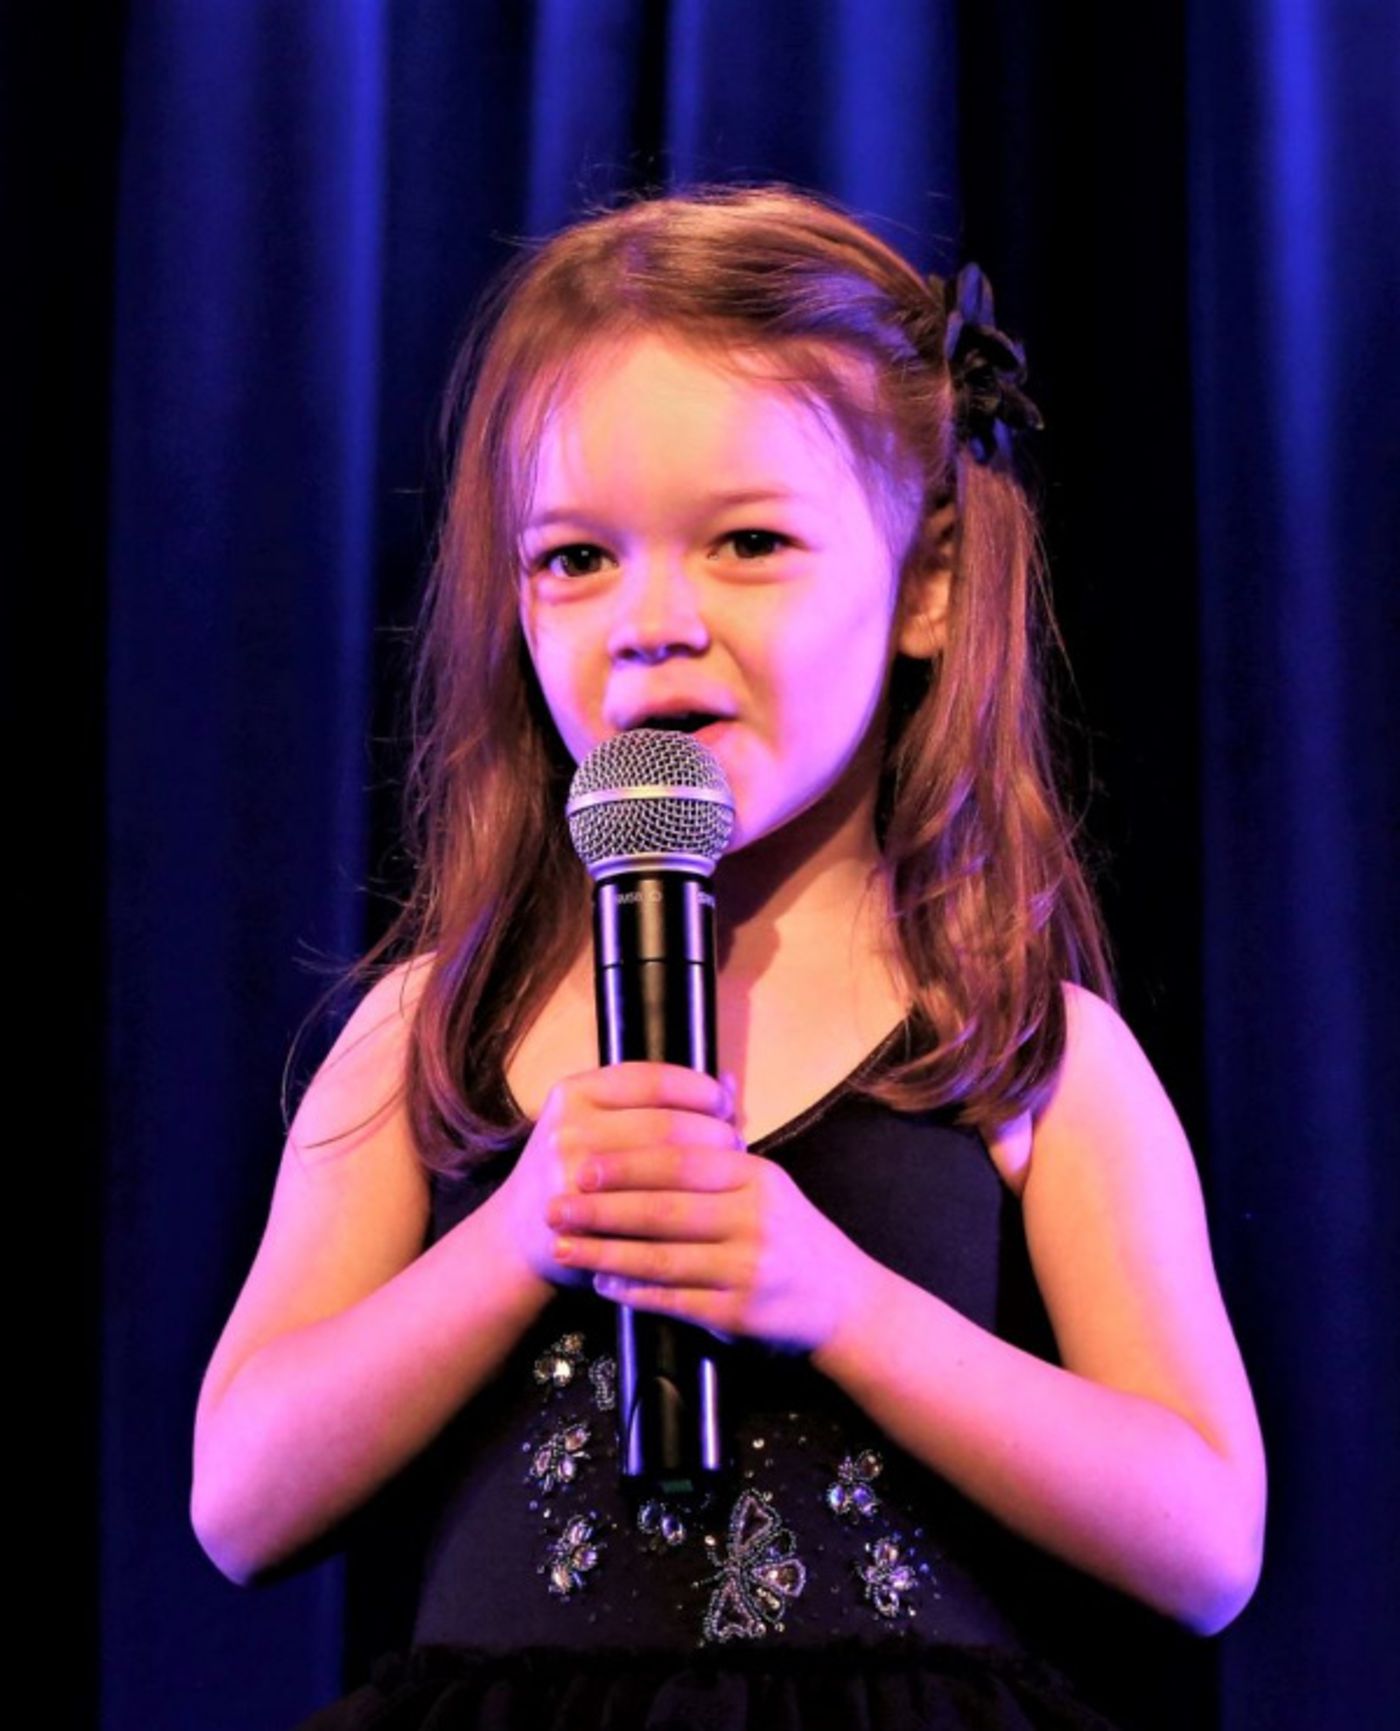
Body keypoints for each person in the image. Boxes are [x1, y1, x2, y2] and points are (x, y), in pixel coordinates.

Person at [191, 183, 1266, 1730]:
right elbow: (240, 1501)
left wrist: (842, 1302)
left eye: (749, 542)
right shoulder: (434, 1031)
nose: (652, 621)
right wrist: (519, 1238)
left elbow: (1207, 1541)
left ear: (929, 585)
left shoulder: (1016, 1045)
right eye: (576, 559)